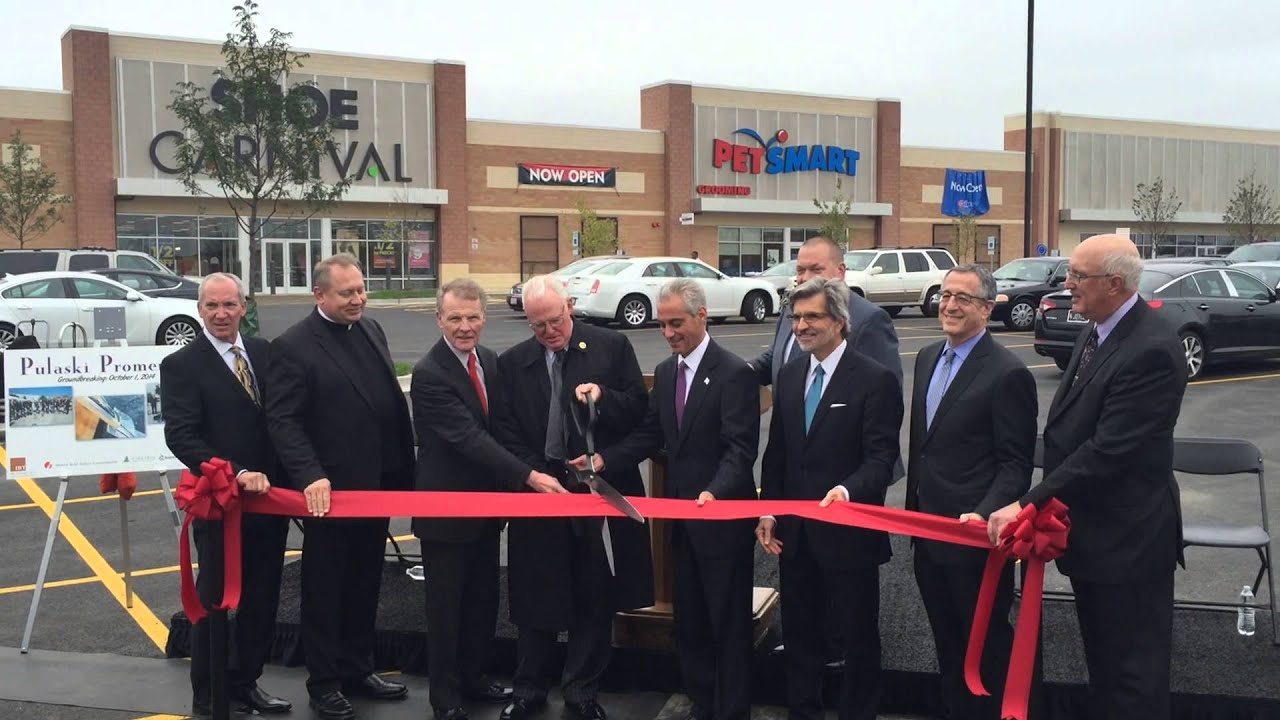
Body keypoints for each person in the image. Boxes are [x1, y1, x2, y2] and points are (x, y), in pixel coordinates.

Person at [987, 234, 1188, 719]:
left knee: (1132, 678)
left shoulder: (1153, 349)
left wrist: (1029, 502)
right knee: (1104, 666)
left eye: (1079, 276)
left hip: (1131, 542)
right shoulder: (1096, 331)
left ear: (1115, 283)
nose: (1067, 284)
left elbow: (1108, 452)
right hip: (1096, 540)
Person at [572, 279, 758, 720]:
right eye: (663, 324)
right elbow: (651, 435)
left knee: (727, 625)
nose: (670, 332)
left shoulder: (735, 373)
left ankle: (731, 710)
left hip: (722, 522)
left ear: (702, 316)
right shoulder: (669, 371)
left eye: (677, 323)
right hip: (681, 522)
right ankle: (701, 702)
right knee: (690, 620)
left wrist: (716, 488)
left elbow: (740, 448)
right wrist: (602, 461)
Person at [492, 275, 654, 720]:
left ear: (570, 305)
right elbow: (503, 431)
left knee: (594, 593)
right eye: (538, 325)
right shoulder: (513, 362)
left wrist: (602, 404)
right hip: (540, 490)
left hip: (595, 490)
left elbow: (640, 413)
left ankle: (582, 689)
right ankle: (528, 688)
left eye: (556, 319)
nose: (550, 331)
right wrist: (535, 475)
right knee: (534, 595)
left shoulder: (609, 347)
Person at [266, 253, 417, 720]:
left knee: (364, 581)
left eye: (361, 289)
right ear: (319, 295)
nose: (359, 299)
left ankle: (357, 667)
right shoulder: (293, 345)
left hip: (376, 487)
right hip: (329, 495)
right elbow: (284, 421)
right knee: (326, 588)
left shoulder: (370, 329)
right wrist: (310, 474)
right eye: (347, 293)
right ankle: (325, 680)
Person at [748, 235, 903, 667]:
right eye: (799, 270)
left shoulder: (870, 328)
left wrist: (851, 490)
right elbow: (777, 450)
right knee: (802, 630)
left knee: (854, 635)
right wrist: (771, 508)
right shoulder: (795, 356)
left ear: (839, 317)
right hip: (795, 527)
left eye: (814, 270)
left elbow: (880, 436)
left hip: (849, 514)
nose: (800, 325)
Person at [412, 279, 562, 720]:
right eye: (455, 318)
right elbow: (470, 439)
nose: (465, 327)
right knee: (446, 611)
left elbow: (503, 428)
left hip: (485, 511)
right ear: (440, 319)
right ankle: (446, 698)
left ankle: (474, 678)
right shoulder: (429, 373)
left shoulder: (490, 362)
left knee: (481, 603)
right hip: (446, 515)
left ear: (485, 317)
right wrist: (530, 476)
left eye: (473, 317)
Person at [905, 264, 1037, 719]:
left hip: (975, 539)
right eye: (945, 295)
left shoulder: (1008, 373)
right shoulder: (926, 357)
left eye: (963, 298)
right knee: (945, 641)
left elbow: (1015, 464)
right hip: (928, 531)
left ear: (986, 308)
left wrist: (984, 513)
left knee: (983, 646)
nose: (950, 305)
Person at [160, 273, 291, 718]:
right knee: (212, 600)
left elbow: (281, 421)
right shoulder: (182, 365)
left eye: (229, 305)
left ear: (243, 307)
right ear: (200, 310)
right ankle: (208, 693)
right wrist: (237, 473)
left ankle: (245, 682)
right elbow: (181, 436)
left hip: (269, 504)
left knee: (263, 596)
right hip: (220, 504)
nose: (221, 314)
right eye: (212, 306)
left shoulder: (264, 353)